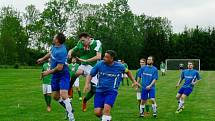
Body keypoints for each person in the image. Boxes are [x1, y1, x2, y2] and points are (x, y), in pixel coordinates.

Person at [83, 50, 140, 121]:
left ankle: (106, 118)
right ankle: (107, 119)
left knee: (106, 111)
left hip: (111, 91)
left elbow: (128, 72)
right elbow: (91, 74)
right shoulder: (100, 64)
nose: (104, 58)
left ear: (112, 59)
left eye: (106, 57)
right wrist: (87, 84)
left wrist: (134, 81)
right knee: (97, 112)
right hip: (99, 91)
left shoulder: (119, 66)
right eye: (104, 56)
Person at [37, 33, 75, 121]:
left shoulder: (62, 51)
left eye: (54, 37)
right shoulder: (54, 46)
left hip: (63, 74)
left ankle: (71, 117)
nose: (53, 37)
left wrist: (48, 72)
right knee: (55, 97)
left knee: (64, 95)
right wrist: (42, 59)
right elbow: (50, 53)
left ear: (57, 40)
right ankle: (69, 107)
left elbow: (59, 67)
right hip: (55, 75)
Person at [68, 32, 101, 112]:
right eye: (81, 41)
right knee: (77, 73)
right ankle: (69, 88)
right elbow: (72, 49)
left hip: (93, 67)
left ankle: (85, 101)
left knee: (94, 90)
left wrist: (86, 60)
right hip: (83, 64)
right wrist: (69, 53)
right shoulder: (80, 43)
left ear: (89, 38)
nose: (82, 42)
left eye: (83, 40)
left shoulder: (97, 42)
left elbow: (98, 56)